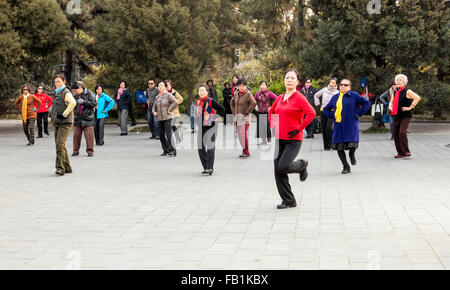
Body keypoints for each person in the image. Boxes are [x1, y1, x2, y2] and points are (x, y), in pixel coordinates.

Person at [269, 70, 316, 209]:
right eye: (287, 78)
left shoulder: (299, 97)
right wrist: (273, 127)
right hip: (279, 138)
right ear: (284, 80)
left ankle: (302, 165)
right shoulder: (280, 98)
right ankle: (289, 200)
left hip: (293, 139)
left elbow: (311, 113)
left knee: (283, 166)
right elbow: (271, 111)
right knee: (277, 171)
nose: (289, 80)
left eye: (292, 78)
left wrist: (300, 128)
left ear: (297, 82)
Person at [323, 79, 371, 174]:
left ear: (349, 87)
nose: (343, 86)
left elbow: (367, 103)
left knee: (352, 145)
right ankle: (346, 166)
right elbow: (326, 109)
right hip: (338, 126)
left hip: (351, 125)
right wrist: (333, 115)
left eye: (345, 85)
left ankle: (352, 155)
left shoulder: (354, 95)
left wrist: (358, 113)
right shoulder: (335, 97)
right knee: (339, 147)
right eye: (341, 84)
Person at [195, 84, 225, 175]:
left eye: (203, 91)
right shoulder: (198, 102)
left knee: (210, 147)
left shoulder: (211, 101)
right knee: (200, 147)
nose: (201, 92)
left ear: (207, 92)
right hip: (202, 127)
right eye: (200, 91)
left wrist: (216, 117)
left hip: (212, 126)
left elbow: (222, 109)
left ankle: (209, 168)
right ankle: (206, 166)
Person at [390, 74, 421, 159]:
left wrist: (410, 107)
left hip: (405, 116)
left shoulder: (407, 91)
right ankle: (400, 152)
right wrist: (391, 108)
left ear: (405, 82)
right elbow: (391, 102)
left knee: (402, 132)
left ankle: (406, 151)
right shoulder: (395, 92)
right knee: (396, 134)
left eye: (400, 80)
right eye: (397, 80)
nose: (398, 82)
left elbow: (417, 98)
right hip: (396, 115)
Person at [51, 74, 76, 176]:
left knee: (59, 144)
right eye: (56, 82)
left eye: (59, 82)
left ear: (64, 82)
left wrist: (65, 114)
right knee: (60, 145)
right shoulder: (57, 92)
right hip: (57, 122)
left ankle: (60, 168)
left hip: (65, 123)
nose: (57, 84)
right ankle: (68, 167)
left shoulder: (66, 92)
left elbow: (73, 103)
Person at [231, 78, 256, 158]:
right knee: (239, 134)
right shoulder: (236, 94)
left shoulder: (248, 94)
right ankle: (244, 151)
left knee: (242, 133)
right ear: (237, 86)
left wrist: (247, 112)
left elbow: (254, 103)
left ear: (245, 86)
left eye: (243, 86)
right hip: (237, 117)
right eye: (239, 86)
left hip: (245, 117)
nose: (241, 87)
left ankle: (246, 151)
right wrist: (234, 111)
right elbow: (231, 103)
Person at [153, 81, 178, 156]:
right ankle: (165, 150)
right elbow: (154, 107)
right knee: (161, 135)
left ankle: (173, 150)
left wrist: (169, 110)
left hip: (167, 118)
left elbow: (175, 102)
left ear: (165, 87)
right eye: (159, 85)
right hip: (160, 118)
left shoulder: (168, 95)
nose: (160, 87)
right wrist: (154, 111)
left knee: (168, 134)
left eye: (162, 85)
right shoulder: (157, 97)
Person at [71, 83, 96, 157]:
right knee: (76, 136)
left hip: (87, 117)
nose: (74, 93)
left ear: (80, 88)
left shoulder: (89, 93)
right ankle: (75, 151)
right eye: (73, 91)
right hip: (77, 117)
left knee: (89, 136)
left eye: (75, 91)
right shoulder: (74, 95)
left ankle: (90, 151)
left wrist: (84, 102)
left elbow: (93, 103)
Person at [314, 77, 339, 150]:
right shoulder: (324, 90)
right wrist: (317, 104)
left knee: (329, 128)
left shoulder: (337, 92)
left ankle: (332, 143)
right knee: (324, 128)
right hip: (323, 110)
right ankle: (326, 146)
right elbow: (316, 95)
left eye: (333, 83)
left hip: (332, 112)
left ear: (336, 84)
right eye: (330, 82)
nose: (331, 84)